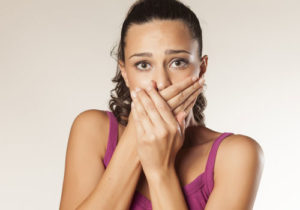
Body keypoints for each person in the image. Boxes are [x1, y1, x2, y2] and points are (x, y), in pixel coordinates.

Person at [59, 0, 264, 209]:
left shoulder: (236, 156)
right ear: (125, 73)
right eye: (143, 65)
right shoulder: (93, 131)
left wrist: (160, 171)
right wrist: (134, 140)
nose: (162, 82)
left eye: (178, 62)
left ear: (201, 69)